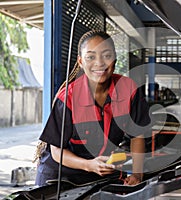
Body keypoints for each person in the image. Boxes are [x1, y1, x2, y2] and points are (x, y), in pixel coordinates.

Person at [34, 30, 150, 186]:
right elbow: (56, 151)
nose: (99, 63)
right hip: (60, 175)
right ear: (81, 62)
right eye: (91, 57)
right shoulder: (68, 98)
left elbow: (137, 136)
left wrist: (137, 174)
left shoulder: (129, 90)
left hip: (99, 173)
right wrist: (89, 165)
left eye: (107, 55)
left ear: (115, 59)